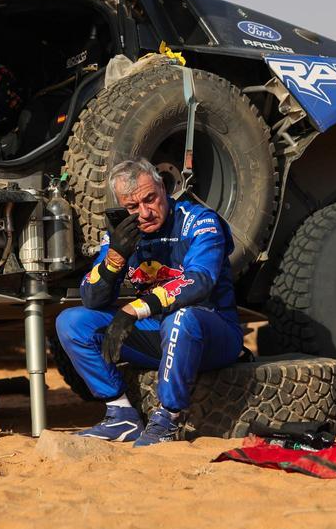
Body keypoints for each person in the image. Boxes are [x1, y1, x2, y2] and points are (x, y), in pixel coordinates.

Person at [55, 158, 243, 447]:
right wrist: (114, 259)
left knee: (181, 319)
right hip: (159, 333)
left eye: (150, 199)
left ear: (163, 188)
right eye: (132, 207)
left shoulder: (201, 221)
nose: (144, 212)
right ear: (122, 207)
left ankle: (168, 418)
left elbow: (201, 279)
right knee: (71, 322)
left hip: (213, 333)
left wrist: (134, 310)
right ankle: (120, 414)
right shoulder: (123, 234)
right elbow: (91, 297)